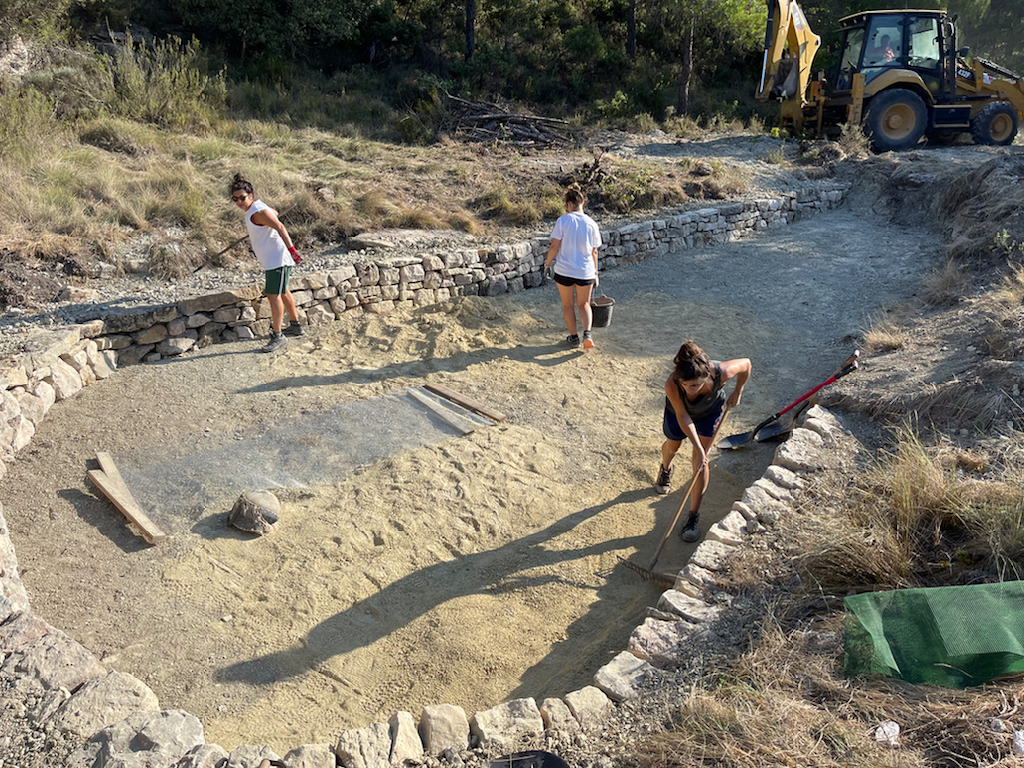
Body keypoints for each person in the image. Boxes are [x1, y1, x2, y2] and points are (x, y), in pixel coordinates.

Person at [656, 340, 751, 542]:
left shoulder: (722, 372)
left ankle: (693, 516)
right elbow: (683, 416)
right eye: (686, 386)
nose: (691, 390)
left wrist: (738, 391)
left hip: (709, 413)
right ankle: (665, 468)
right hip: (678, 414)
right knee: (674, 445)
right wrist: (697, 446)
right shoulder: (672, 385)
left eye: (696, 385)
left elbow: (746, 364)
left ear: (707, 376)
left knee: (700, 462)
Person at [230, 173, 304, 353]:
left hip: (277, 260)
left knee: (273, 295)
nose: (239, 202)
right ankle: (295, 326)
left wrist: (292, 250)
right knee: (283, 291)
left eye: (242, 198)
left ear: (251, 196)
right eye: (235, 199)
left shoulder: (257, 211)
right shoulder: (256, 208)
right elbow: (275, 214)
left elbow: (280, 226)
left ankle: (278, 335)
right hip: (271, 259)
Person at [543, 185, 602, 350]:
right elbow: (594, 251)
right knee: (584, 304)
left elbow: (554, 247)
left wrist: (547, 265)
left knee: (567, 305)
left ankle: (574, 337)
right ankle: (588, 334)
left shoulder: (563, 220)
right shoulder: (591, 223)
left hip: (564, 270)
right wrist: (596, 272)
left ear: (568, 204)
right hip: (585, 271)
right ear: (582, 202)